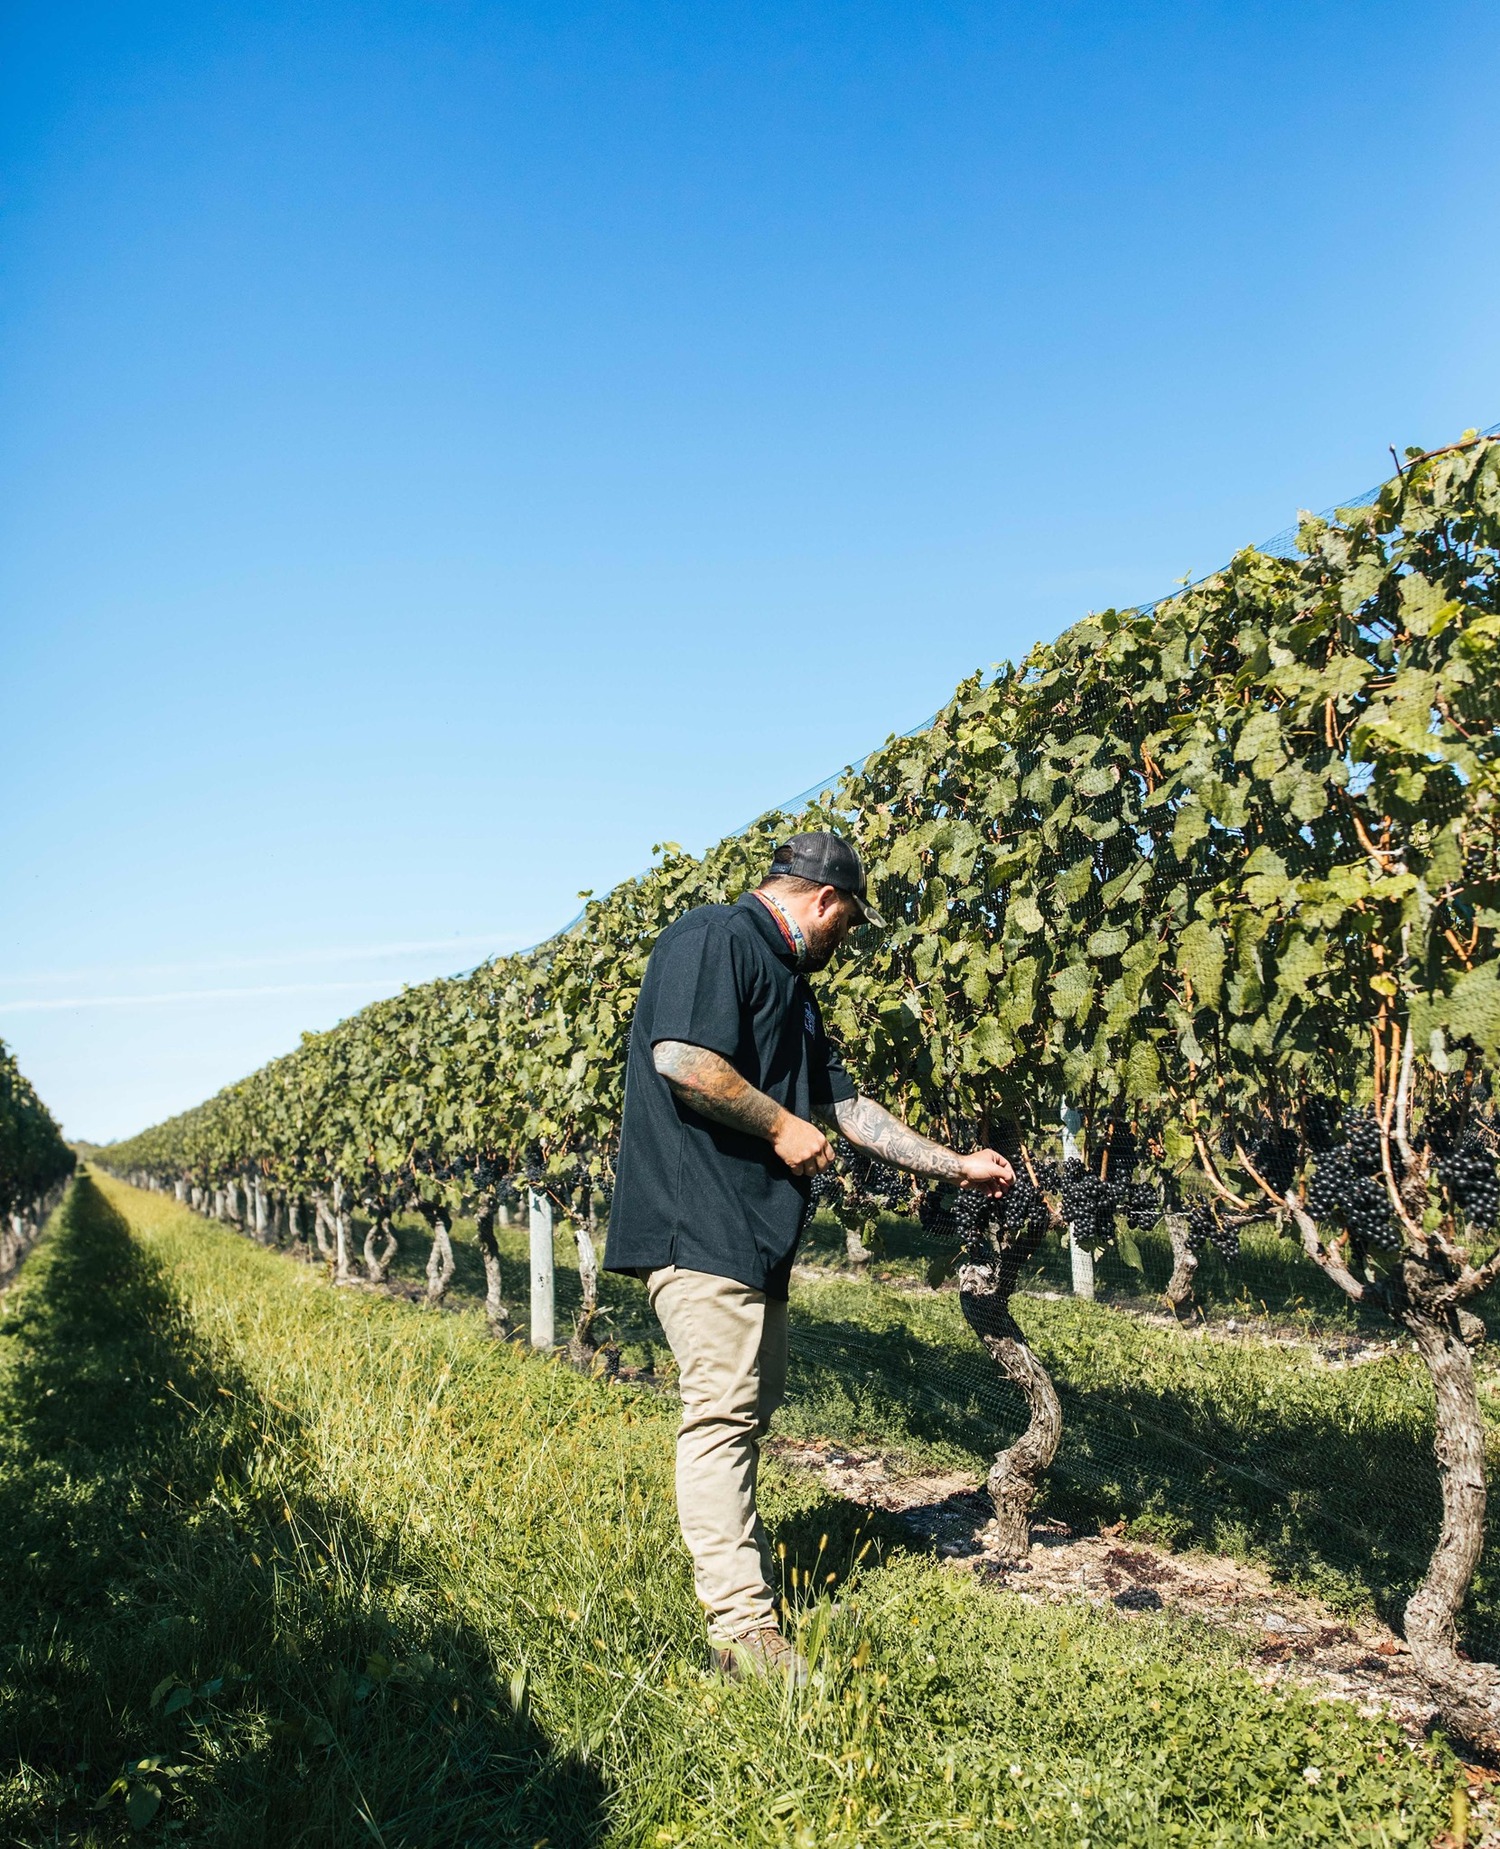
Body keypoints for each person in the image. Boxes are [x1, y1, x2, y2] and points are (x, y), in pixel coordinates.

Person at [605, 831, 1015, 1681]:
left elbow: (852, 1108)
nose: (847, 942)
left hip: (750, 1235)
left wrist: (958, 1164)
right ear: (824, 901)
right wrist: (781, 1123)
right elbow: (678, 1056)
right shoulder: (713, 936)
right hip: (696, 1222)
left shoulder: (792, 989)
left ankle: (739, 1594)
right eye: (850, 924)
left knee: (745, 1413)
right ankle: (743, 1630)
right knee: (720, 1414)